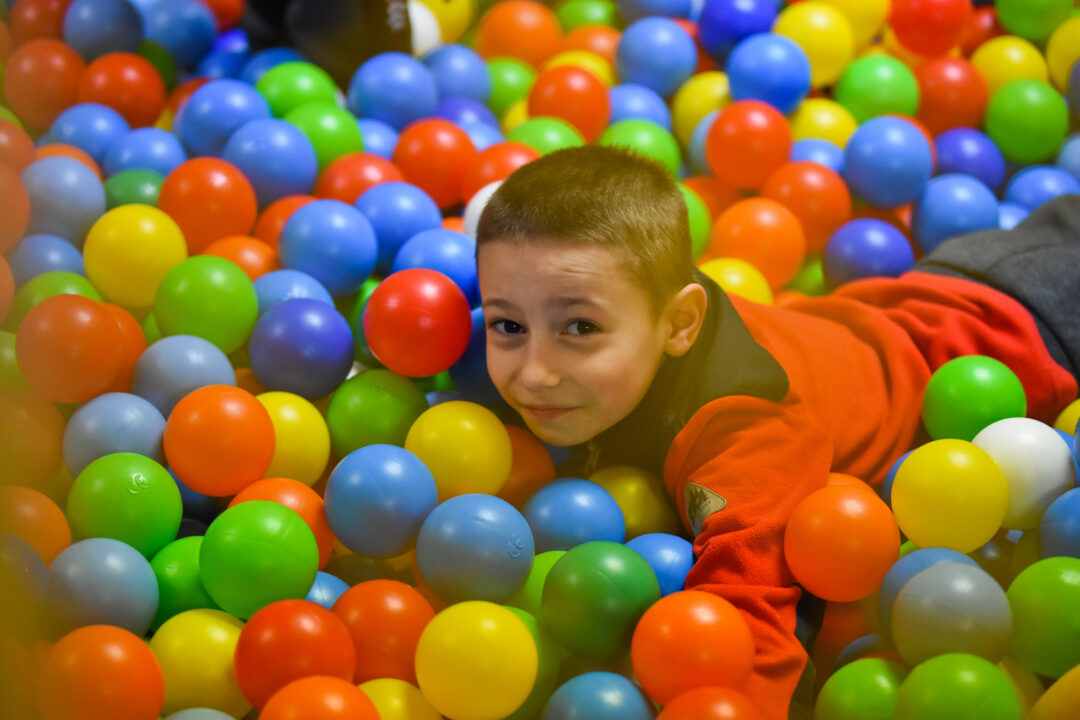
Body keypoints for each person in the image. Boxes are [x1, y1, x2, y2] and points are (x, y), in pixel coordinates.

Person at [474, 145, 1079, 719]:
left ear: (680, 322)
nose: (534, 373)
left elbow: (746, 621)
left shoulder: (745, 430)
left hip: (1029, 330)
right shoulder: (630, 299)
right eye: (507, 325)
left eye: (580, 328)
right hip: (940, 284)